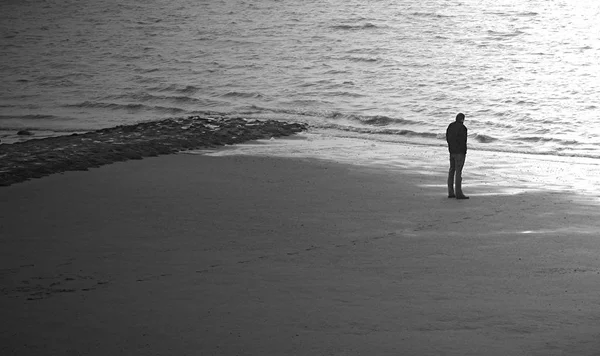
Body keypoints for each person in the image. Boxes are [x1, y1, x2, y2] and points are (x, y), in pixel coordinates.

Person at [446, 113, 469, 199]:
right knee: (458, 172)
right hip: (460, 152)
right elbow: (463, 141)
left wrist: (451, 147)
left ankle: (450, 192)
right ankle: (459, 193)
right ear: (462, 119)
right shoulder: (463, 128)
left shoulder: (450, 126)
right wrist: (464, 151)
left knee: (452, 170)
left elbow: (447, 138)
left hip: (452, 151)